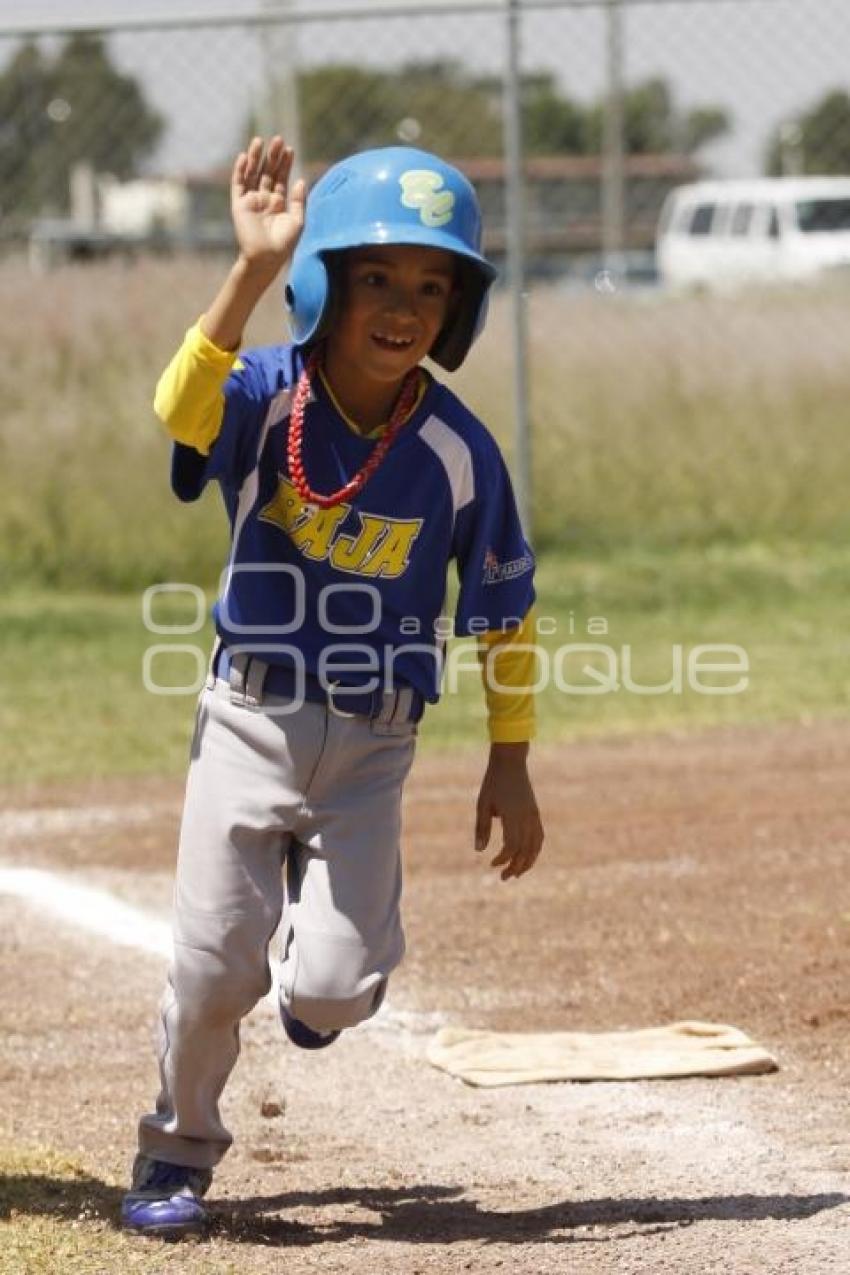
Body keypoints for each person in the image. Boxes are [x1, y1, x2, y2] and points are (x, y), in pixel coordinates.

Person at [121, 136, 544, 1238]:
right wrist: (251, 269)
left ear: (456, 310)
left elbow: (502, 606)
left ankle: (324, 987)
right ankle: (174, 1154)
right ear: (325, 283)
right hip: (249, 721)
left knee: (330, 993)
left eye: (430, 283)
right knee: (215, 965)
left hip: (373, 749)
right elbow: (177, 410)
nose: (403, 304)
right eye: (375, 276)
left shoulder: (458, 450)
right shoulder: (263, 394)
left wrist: (511, 758)